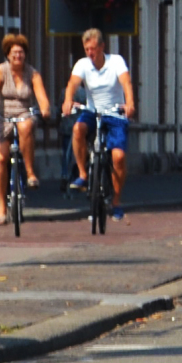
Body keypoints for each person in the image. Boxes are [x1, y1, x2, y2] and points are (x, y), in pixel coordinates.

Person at [61, 28, 135, 220]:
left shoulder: (116, 61)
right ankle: (83, 174)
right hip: (93, 112)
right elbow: (72, 83)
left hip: (114, 113)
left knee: (118, 157)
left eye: (93, 48)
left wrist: (130, 104)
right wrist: (68, 100)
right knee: (78, 129)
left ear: (102, 47)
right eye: (87, 49)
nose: (90, 53)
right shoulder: (83, 64)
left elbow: (126, 83)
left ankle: (116, 202)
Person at [0, 33, 52, 225]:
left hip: (23, 113)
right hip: (2, 116)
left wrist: (45, 109)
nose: (18, 56)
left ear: (25, 54)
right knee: (2, 158)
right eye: (14, 53)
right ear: (7, 54)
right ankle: (2, 205)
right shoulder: (0, 71)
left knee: (26, 125)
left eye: (21, 53)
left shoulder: (32, 74)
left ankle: (30, 173)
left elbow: (41, 96)